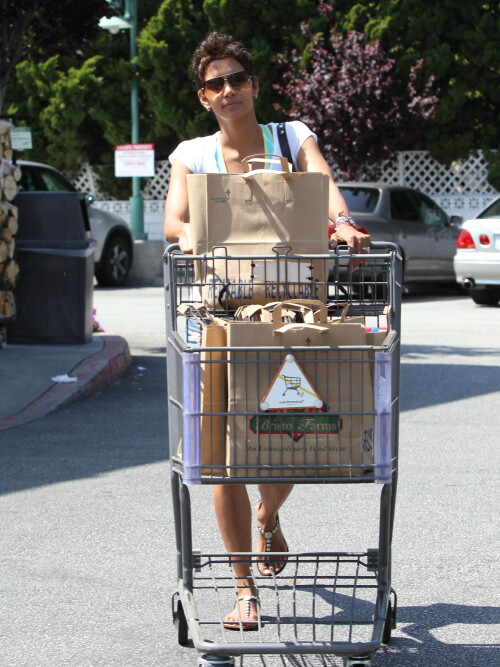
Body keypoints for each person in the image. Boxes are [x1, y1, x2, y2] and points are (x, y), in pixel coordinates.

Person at [164, 32, 371, 631]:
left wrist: (342, 223)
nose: (227, 90)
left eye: (236, 79)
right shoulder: (192, 154)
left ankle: (268, 518)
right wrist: (190, 236)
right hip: (220, 318)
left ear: (254, 85)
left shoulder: (292, 137)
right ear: (203, 97)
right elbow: (176, 219)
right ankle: (243, 587)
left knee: (285, 436)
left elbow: (324, 187)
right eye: (214, 83)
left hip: (292, 316)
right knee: (222, 452)